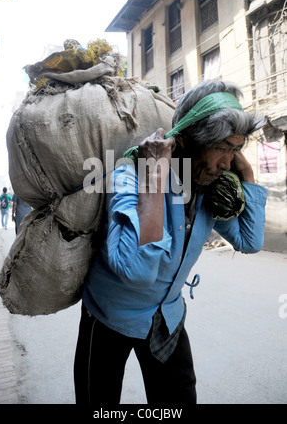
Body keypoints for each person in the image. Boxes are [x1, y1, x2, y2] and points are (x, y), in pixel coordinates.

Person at [74, 80, 267, 406]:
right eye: (221, 148)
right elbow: (137, 272)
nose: (225, 163)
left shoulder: (209, 188)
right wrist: (155, 175)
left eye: (234, 150)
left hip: (167, 316)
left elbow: (249, 241)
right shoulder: (131, 176)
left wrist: (246, 174)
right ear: (191, 140)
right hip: (109, 315)